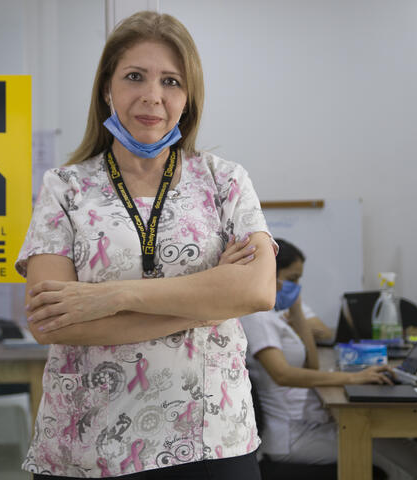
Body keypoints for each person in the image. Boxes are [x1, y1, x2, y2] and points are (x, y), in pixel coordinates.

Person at [16, 11, 276, 480]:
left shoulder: (224, 181)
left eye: (171, 81)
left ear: (189, 97)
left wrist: (110, 297)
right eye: (134, 76)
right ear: (106, 89)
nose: (152, 96)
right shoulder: (65, 188)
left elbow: (258, 291)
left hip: (212, 440)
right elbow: (51, 323)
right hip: (86, 446)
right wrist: (212, 300)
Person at [239, 239, 417, 480]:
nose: (296, 287)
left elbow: (311, 365)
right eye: (292, 279)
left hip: (312, 425)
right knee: (412, 462)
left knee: (411, 455)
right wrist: (354, 377)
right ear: (270, 273)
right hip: (293, 436)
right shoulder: (256, 317)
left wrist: (297, 310)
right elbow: (282, 374)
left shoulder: (274, 315)